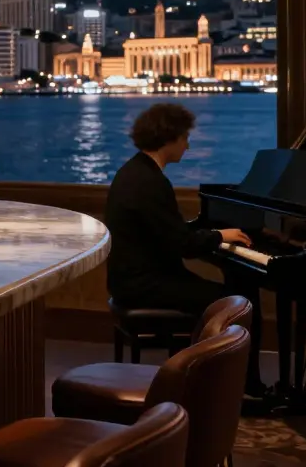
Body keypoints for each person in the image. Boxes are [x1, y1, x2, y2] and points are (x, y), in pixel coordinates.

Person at [105, 103, 267, 399]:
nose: (188, 145)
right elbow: (181, 243)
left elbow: (170, 234)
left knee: (230, 295)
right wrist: (220, 235)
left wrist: (212, 237)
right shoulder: (149, 183)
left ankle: (220, 380)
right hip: (144, 285)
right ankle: (235, 388)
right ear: (169, 137)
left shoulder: (136, 172)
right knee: (235, 304)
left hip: (134, 278)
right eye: (184, 137)